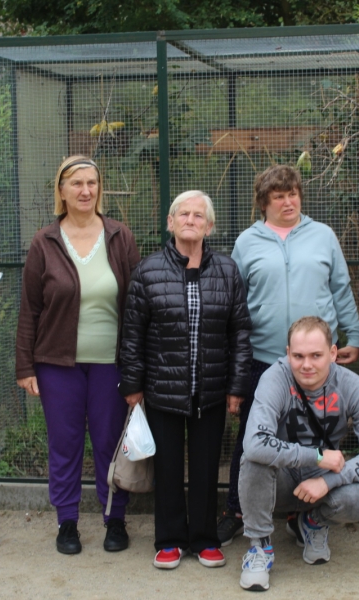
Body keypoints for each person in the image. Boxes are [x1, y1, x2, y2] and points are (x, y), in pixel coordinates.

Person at [219, 164, 359, 546]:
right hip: (263, 358)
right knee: (253, 436)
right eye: (278, 196)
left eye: (293, 194)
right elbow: (236, 303)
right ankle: (237, 510)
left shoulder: (322, 236)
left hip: (314, 361)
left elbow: (341, 289)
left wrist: (355, 334)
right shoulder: (247, 242)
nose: (288, 202)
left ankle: (304, 514)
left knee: (316, 433)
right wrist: (235, 357)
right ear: (263, 203)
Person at [119, 190, 252, 570]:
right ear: (171, 222)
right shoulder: (148, 271)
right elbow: (132, 334)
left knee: (207, 468)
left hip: (211, 390)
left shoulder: (227, 270)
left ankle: (205, 539)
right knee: (168, 468)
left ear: (209, 226)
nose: (190, 220)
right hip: (163, 390)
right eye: (183, 214)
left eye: (198, 215)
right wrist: (133, 385)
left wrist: (236, 386)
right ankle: (170, 540)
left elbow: (240, 332)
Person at [16, 155, 140, 555]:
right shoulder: (45, 241)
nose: (86, 191)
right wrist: (25, 366)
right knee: (65, 443)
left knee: (109, 442)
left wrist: (137, 365)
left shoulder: (119, 236)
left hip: (111, 364)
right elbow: (30, 309)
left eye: (92, 183)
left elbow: (137, 305)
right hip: (57, 364)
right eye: (76, 183)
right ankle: (66, 522)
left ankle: (114, 518)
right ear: (62, 190)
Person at [237, 316, 359, 592]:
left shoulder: (353, 387)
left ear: (333, 353)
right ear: (288, 354)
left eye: (316, 355)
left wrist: (328, 481)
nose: (306, 365)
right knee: (253, 461)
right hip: (281, 480)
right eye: (298, 356)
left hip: (323, 480)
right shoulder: (274, 378)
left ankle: (312, 523)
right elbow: (255, 443)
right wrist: (317, 456)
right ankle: (259, 547)